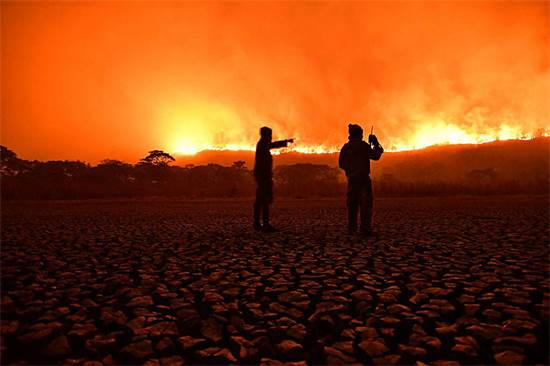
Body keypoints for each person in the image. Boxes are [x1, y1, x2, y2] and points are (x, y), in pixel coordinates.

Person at [338, 124, 384, 235]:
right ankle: (365, 229)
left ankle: (352, 229)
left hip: (352, 179)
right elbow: (376, 155)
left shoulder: (346, 147)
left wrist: (350, 171)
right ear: (360, 134)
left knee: (352, 205)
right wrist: (375, 143)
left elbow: (341, 164)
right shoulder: (364, 146)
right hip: (363, 179)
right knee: (366, 205)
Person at [253, 126, 294, 232]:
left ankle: (257, 223)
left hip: (261, 176)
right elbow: (270, 148)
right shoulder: (262, 144)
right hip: (263, 177)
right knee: (265, 200)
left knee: (259, 201)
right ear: (266, 135)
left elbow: (272, 145)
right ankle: (265, 225)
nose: (271, 137)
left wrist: (285, 142)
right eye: (270, 135)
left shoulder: (262, 144)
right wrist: (264, 178)